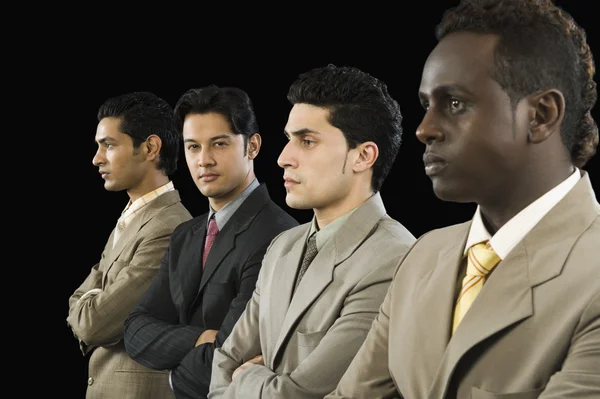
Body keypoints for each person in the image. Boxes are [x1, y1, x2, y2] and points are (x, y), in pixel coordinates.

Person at [327, 1, 600, 398]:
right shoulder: (423, 257)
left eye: (455, 103)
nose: (424, 129)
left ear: (540, 115)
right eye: (426, 105)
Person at [208, 64, 416, 399]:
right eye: (289, 139)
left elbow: (299, 395)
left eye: (307, 141)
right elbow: (223, 365)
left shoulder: (396, 260)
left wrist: (245, 379)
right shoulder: (281, 246)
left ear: (363, 156)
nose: (283, 158)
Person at [123, 85, 298, 399]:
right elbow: (134, 329)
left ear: (253, 146)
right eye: (193, 147)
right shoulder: (184, 235)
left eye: (219, 144)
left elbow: (230, 357)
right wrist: (200, 337)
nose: (203, 160)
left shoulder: (280, 235)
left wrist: (172, 375)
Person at [67, 91, 193, 399]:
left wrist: (90, 301)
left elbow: (95, 324)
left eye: (108, 145)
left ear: (150, 148)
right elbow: (84, 297)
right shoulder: (132, 216)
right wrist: (92, 299)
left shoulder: (170, 226)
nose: (97, 158)